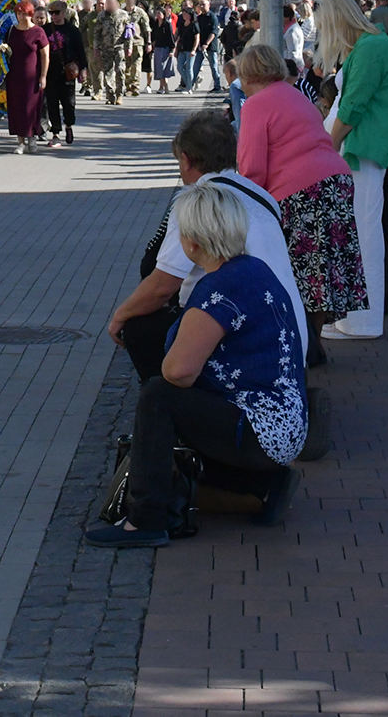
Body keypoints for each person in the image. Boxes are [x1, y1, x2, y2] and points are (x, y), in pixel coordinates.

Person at [86, 181, 307, 548]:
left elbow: (178, 371)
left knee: (159, 395)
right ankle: (260, 484)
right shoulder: (253, 269)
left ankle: (146, 520)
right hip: (282, 423)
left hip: (261, 429)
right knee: (180, 399)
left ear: (192, 241)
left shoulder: (217, 289)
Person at [108, 110, 306, 383]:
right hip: (291, 337)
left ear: (186, 160)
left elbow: (162, 286)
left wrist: (120, 316)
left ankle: (167, 399)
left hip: (246, 338)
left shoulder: (199, 202)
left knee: (139, 329)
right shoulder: (259, 194)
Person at [236, 40, 364, 365]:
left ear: (249, 74)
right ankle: (313, 342)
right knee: (321, 272)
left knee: (301, 271)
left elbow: (252, 168)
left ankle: (302, 347)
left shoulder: (256, 104)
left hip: (301, 190)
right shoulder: (295, 95)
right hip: (335, 180)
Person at [317, 0, 388, 340]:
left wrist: (328, 149)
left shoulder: (369, 49)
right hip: (359, 150)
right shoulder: (371, 46)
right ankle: (358, 319)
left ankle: (362, 321)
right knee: (360, 233)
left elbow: (352, 107)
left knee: (361, 235)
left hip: (358, 151)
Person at [5, 0, 50, 154]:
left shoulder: (38, 31)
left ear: (31, 14)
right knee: (16, 108)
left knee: (31, 108)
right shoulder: (12, 30)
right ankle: (20, 142)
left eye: (24, 14)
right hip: (14, 76)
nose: (21, 17)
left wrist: (43, 76)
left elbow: (45, 56)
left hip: (32, 77)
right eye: (18, 14)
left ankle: (32, 137)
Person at [45, 1, 86, 146]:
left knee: (68, 103)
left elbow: (81, 51)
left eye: (56, 13)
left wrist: (83, 69)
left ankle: (69, 125)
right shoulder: (45, 30)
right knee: (52, 103)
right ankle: (55, 133)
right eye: (51, 13)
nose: (53, 16)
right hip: (50, 72)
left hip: (67, 72)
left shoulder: (72, 30)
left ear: (64, 13)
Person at [95, 0, 127, 106]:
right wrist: (96, 48)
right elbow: (97, 33)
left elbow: (129, 32)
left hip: (119, 47)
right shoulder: (101, 16)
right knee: (107, 72)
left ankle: (119, 95)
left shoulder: (123, 15)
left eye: (111, 3)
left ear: (116, 4)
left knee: (120, 70)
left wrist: (130, 46)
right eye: (107, 3)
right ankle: (110, 95)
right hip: (106, 48)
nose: (109, 6)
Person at [123, 0, 151, 98]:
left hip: (137, 42)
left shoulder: (140, 12)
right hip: (124, 44)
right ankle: (128, 87)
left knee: (136, 65)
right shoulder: (121, 12)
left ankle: (135, 86)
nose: (129, 0)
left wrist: (149, 43)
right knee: (126, 66)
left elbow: (147, 28)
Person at [192, 0, 222, 92]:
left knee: (213, 66)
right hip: (200, 46)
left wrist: (206, 43)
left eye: (203, 4)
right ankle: (190, 85)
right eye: (200, 4)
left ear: (208, 5)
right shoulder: (199, 18)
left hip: (210, 46)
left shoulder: (212, 17)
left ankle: (217, 86)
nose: (201, 6)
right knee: (196, 66)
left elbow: (214, 32)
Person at [78, 0, 103, 101]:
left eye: (103, 3)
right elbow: (81, 29)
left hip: (110, 48)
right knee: (95, 70)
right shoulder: (90, 16)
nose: (101, 5)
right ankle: (98, 91)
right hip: (93, 47)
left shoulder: (114, 15)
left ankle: (113, 92)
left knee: (111, 71)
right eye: (99, 3)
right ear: (96, 4)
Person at [150, 9, 176, 93]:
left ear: (164, 14)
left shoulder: (167, 24)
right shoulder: (156, 24)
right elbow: (153, 36)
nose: (157, 15)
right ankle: (162, 87)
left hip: (166, 48)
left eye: (159, 13)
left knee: (164, 68)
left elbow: (171, 37)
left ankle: (164, 87)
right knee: (159, 68)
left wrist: (172, 49)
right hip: (157, 48)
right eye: (156, 13)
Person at [175, 7, 199, 92]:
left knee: (189, 68)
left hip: (190, 49)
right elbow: (179, 36)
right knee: (180, 67)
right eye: (183, 13)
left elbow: (197, 38)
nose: (184, 15)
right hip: (182, 48)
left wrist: (194, 49)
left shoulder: (194, 24)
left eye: (185, 13)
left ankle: (189, 88)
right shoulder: (182, 24)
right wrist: (175, 47)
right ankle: (190, 83)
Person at [223, 57, 246, 132]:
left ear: (229, 74)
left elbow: (239, 112)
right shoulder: (246, 81)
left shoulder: (235, 86)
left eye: (225, 74)